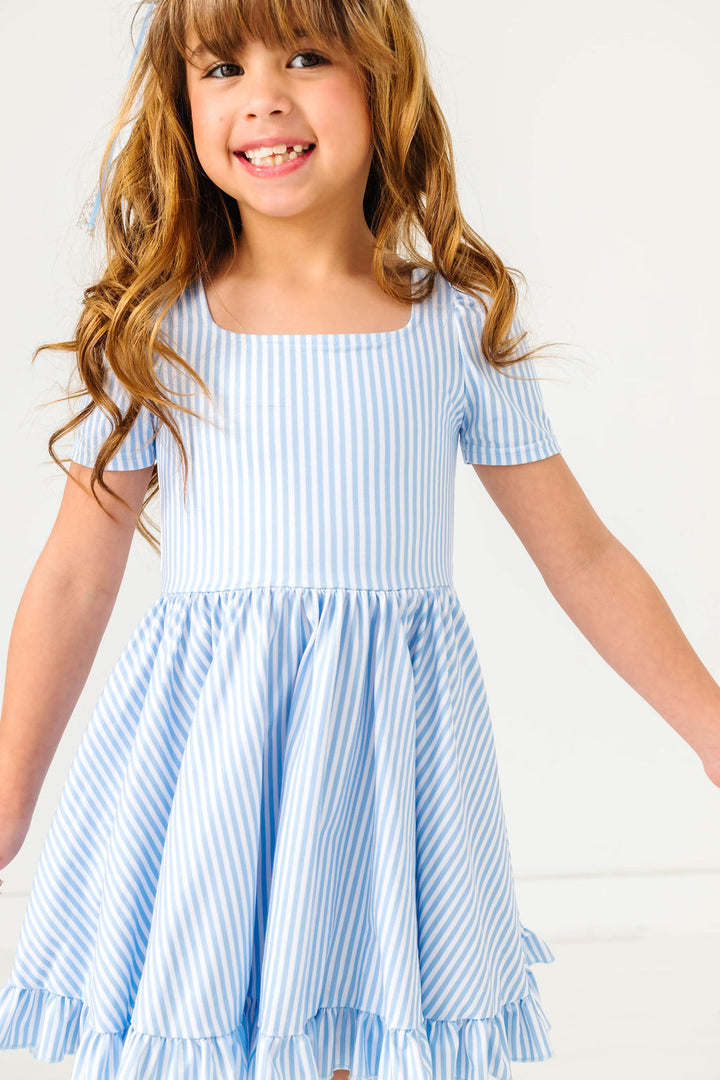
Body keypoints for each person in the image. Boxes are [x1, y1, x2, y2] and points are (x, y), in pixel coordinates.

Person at [0, 0, 718, 1076]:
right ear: (182, 107)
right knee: (210, 1012)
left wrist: (710, 728)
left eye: (304, 56)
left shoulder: (453, 329)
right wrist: (8, 804)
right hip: (213, 748)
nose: (264, 96)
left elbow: (583, 557)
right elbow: (70, 579)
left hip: (389, 751)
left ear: (384, 86)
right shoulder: (155, 334)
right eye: (221, 68)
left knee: (360, 1020)